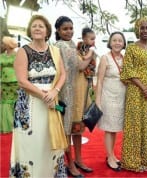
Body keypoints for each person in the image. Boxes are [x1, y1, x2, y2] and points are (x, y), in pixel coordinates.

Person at [10, 15, 67, 177]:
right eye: (34, 26)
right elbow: (22, 81)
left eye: (40, 26)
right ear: (30, 30)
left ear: (47, 31)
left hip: (51, 103)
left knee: (49, 144)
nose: (37, 28)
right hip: (30, 106)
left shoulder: (55, 51)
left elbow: (63, 74)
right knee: (32, 146)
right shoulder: (23, 51)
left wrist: (55, 91)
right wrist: (43, 95)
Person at [55, 16, 95, 177]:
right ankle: (70, 163)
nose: (69, 31)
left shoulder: (73, 44)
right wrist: (91, 53)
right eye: (65, 29)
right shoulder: (61, 46)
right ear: (58, 30)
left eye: (71, 28)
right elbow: (81, 65)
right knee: (66, 130)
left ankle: (78, 159)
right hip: (66, 93)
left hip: (77, 92)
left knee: (77, 129)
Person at [120, 17, 147, 172]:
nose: (145, 31)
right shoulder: (131, 48)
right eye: (142, 28)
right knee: (135, 125)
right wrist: (144, 87)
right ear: (137, 29)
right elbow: (128, 70)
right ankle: (133, 161)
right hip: (136, 92)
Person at [95, 31, 127, 171]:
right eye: (114, 40)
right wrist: (98, 100)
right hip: (108, 97)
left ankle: (112, 155)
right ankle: (109, 157)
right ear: (110, 42)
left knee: (114, 128)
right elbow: (99, 81)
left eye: (120, 40)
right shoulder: (105, 58)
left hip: (121, 97)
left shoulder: (125, 58)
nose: (117, 43)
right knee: (109, 128)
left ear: (124, 43)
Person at [0, 36, 18, 133]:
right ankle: (6, 126)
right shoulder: (1, 56)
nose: (2, 45)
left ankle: (15, 125)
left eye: (3, 43)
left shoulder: (17, 55)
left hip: (16, 83)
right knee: (5, 103)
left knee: (15, 103)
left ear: (7, 44)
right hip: (4, 84)